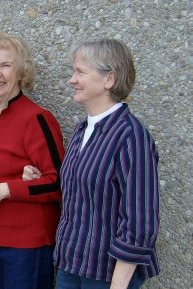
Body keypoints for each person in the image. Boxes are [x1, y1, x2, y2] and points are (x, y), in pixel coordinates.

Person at [23, 39, 160, 289]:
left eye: (80, 72)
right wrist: (39, 177)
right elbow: (87, 191)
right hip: (71, 266)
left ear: (109, 79)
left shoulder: (131, 136)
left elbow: (140, 223)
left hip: (105, 276)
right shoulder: (83, 129)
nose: (71, 80)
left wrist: (118, 286)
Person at [0, 31, 65, 289]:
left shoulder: (36, 118)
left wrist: (6, 189)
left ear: (21, 72)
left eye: (6, 65)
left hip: (27, 243)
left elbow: (57, 182)